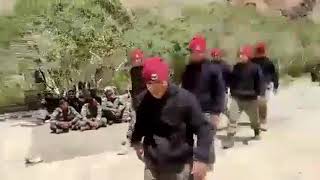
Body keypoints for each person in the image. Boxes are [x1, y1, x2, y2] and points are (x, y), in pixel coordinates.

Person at [131, 57, 212, 180]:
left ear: (167, 79)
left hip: (180, 165)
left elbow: (203, 128)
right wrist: (136, 142)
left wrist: (201, 158)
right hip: (153, 163)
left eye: (160, 84)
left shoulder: (186, 99)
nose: (156, 90)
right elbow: (140, 125)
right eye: (150, 85)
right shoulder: (142, 100)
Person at [181, 35, 225, 169]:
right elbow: (184, 90)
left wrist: (216, 113)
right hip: (189, 111)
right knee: (185, 137)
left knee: (207, 139)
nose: (196, 55)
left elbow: (219, 91)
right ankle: (188, 162)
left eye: (199, 52)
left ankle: (208, 164)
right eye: (193, 52)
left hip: (207, 111)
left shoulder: (213, 69)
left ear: (204, 52)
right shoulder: (188, 70)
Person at [224, 45, 265, 149]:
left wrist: (260, 94)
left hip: (251, 99)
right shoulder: (236, 67)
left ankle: (256, 132)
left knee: (254, 119)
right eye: (239, 54)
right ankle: (230, 139)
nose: (240, 56)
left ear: (248, 55)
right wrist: (231, 91)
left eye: (242, 54)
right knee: (232, 119)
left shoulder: (255, 68)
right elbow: (231, 80)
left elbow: (260, 82)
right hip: (237, 98)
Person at [118, 48, 147, 155]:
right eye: (135, 60)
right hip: (137, 100)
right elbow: (135, 88)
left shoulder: (144, 70)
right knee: (134, 122)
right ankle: (129, 142)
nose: (136, 62)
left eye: (138, 60)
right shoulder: (134, 71)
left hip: (145, 100)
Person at [251, 42, 279, 131]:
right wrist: (275, 86)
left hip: (264, 85)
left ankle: (262, 121)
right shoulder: (264, 61)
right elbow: (275, 75)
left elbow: (274, 74)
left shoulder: (266, 62)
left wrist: (275, 85)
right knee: (259, 103)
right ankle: (260, 120)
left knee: (261, 103)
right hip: (258, 85)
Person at [211, 48, 232, 113]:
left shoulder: (225, 66)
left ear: (220, 56)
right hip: (211, 89)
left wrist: (229, 87)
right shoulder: (209, 65)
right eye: (214, 55)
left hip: (223, 89)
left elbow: (230, 77)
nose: (215, 57)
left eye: (217, 55)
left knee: (223, 107)